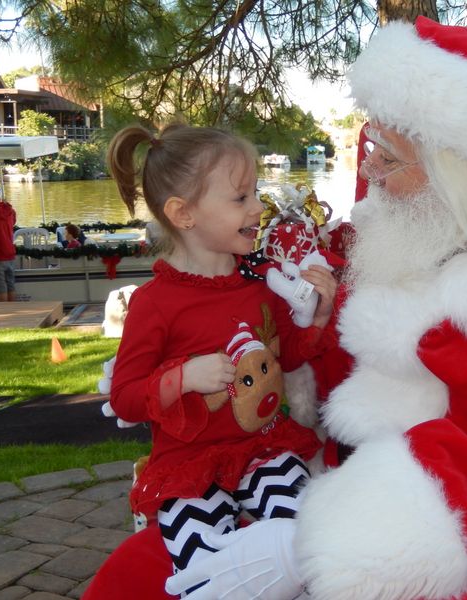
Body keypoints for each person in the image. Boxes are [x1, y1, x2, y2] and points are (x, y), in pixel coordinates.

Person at [161, 17, 467, 600]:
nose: (368, 175)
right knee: (139, 576)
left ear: (465, 174)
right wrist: (291, 340)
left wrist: (312, 546)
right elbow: (336, 396)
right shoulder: (410, 236)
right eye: (370, 148)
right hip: (328, 488)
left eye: (387, 158)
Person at [106, 123, 338, 596]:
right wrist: (183, 377)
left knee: (316, 536)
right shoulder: (155, 304)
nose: (258, 208)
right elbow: (126, 398)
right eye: (240, 198)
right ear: (184, 214)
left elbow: (286, 357)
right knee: (207, 573)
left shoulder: (258, 286)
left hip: (265, 453)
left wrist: (319, 315)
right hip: (188, 466)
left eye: (255, 193)